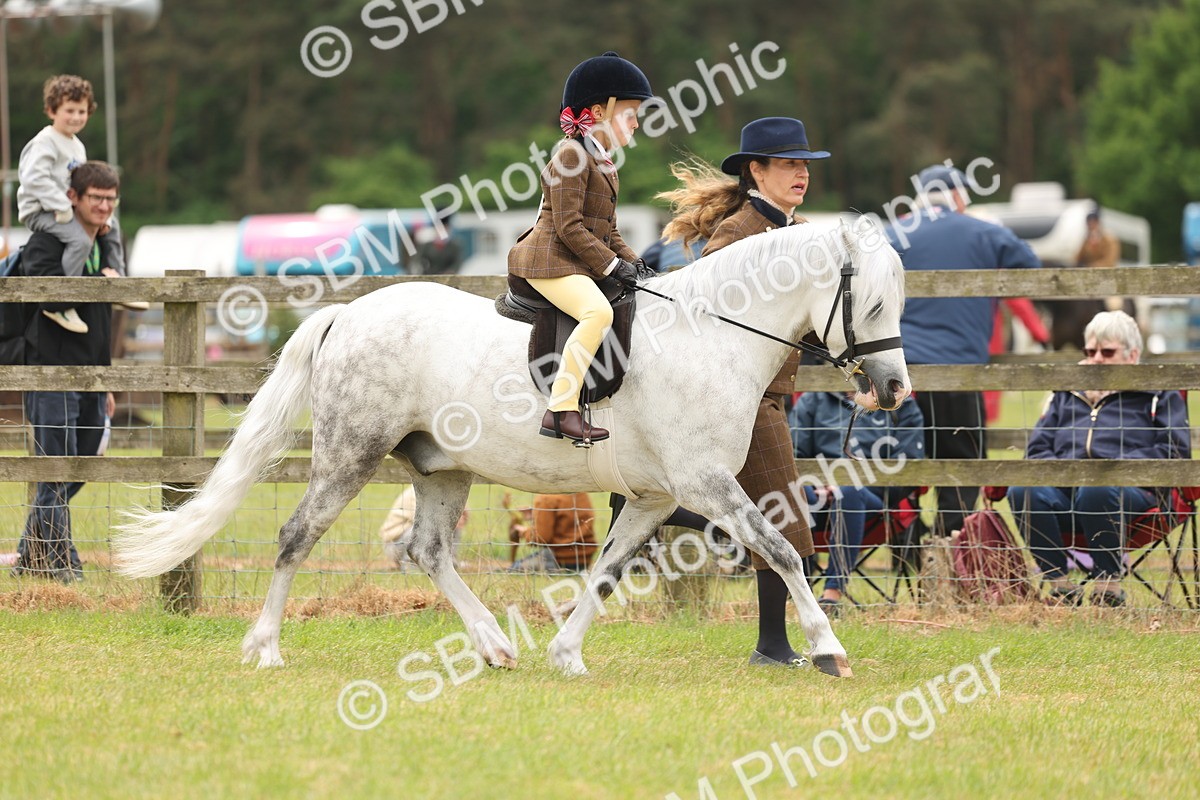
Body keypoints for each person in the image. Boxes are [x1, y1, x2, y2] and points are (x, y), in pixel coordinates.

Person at [614, 117, 831, 667]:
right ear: (756, 171)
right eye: (788, 164)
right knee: (783, 515)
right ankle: (774, 646)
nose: (801, 173)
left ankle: (662, 506)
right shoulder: (736, 234)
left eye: (804, 165)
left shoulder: (798, 229)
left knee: (773, 511)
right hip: (740, 397)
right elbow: (707, 317)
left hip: (772, 391)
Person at [988, 311, 1191, 607]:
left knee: (1096, 489)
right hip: (1066, 493)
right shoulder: (1067, 392)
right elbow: (1037, 449)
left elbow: (1173, 451)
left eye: (1107, 352)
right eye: (1090, 351)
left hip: (1137, 497)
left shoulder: (1158, 393)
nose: (1096, 359)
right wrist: (1069, 470)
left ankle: (1108, 585)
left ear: (1133, 355)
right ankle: (1058, 584)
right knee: (1023, 491)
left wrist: (1108, 469)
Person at [507, 52, 655, 444]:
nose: (637, 121)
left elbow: (608, 229)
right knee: (597, 313)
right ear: (599, 110)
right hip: (548, 260)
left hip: (572, 260)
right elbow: (568, 227)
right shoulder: (571, 154)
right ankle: (561, 409)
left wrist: (636, 263)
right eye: (630, 112)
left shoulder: (603, 161)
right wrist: (610, 267)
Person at [886, 164, 1040, 537]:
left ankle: (908, 543)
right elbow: (1031, 266)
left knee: (897, 462)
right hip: (959, 371)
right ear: (958, 197)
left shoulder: (892, 233)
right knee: (963, 465)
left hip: (900, 373)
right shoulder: (983, 231)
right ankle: (948, 544)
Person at [11, 161, 122, 584]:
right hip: (51, 370)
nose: (104, 206)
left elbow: (103, 321)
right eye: (96, 198)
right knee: (56, 466)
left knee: (86, 459)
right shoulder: (44, 243)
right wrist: (96, 279)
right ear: (73, 197)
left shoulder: (108, 243)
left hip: (94, 373)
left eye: (111, 199)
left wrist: (108, 379)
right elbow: (46, 296)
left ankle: (28, 552)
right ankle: (63, 565)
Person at [16, 75, 135, 335]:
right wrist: (65, 207)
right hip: (41, 211)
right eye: (69, 110)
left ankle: (120, 281)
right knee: (80, 241)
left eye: (82, 111)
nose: (76, 117)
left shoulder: (77, 146)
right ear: (51, 110)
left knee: (111, 225)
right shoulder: (45, 142)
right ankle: (63, 300)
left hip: (64, 209)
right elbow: (33, 179)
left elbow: (78, 182)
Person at [789, 391, 926, 616]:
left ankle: (831, 596)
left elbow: (909, 464)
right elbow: (793, 455)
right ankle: (794, 590)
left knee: (849, 491)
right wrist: (819, 486)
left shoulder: (903, 406)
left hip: (873, 504)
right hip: (816, 498)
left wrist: (847, 486)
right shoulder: (812, 400)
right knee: (790, 490)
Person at [507, 492, 598, 573]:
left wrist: (523, 531)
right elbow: (568, 518)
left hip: (558, 560)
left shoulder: (546, 497)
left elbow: (540, 537)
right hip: (584, 561)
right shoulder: (580, 492)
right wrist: (538, 513)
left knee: (513, 569)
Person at [379, 486, 468, 568]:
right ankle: (409, 564)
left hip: (412, 540)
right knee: (422, 529)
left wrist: (458, 516)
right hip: (395, 544)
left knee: (454, 524)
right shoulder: (418, 491)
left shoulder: (441, 490)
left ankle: (449, 561)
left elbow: (462, 513)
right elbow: (423, 520)